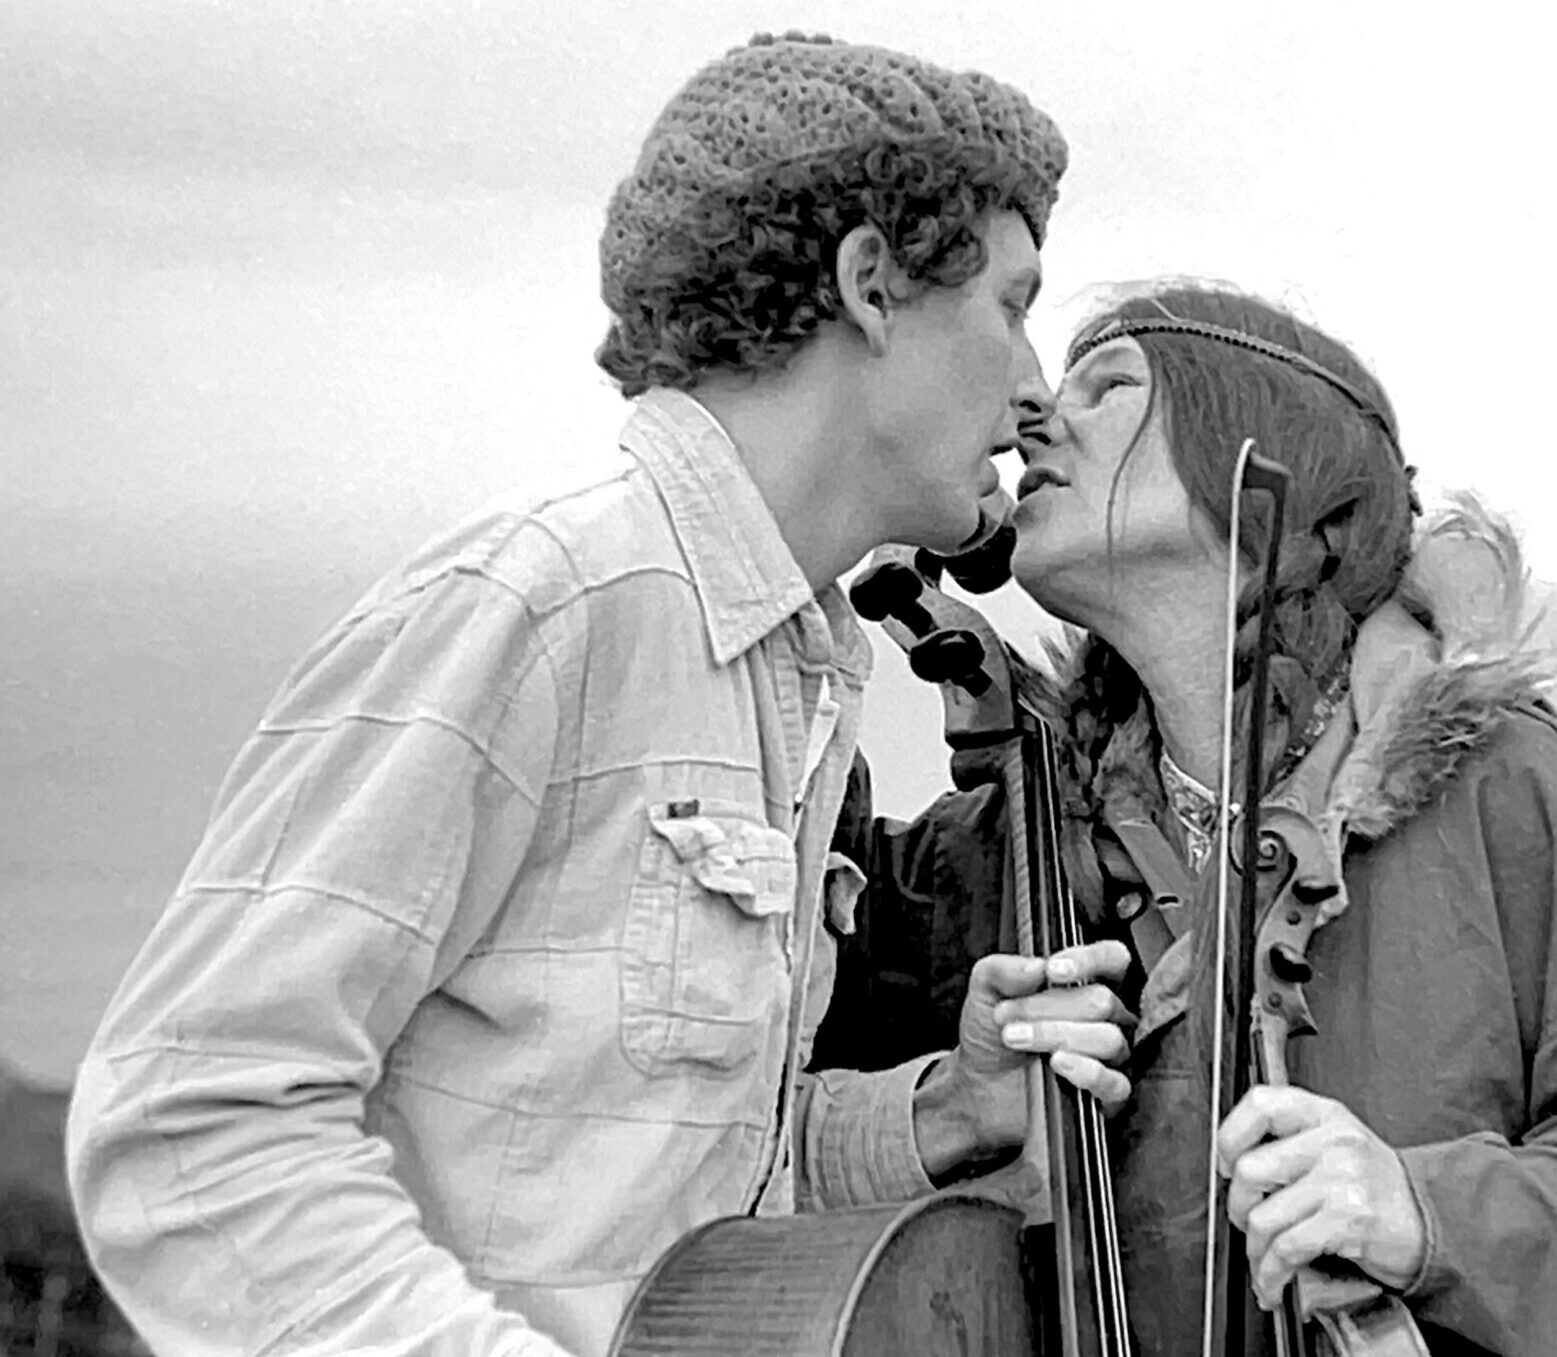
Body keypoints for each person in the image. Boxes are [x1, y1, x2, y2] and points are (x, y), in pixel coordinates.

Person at [65, 33, 1132, 1357]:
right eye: (1014, 305)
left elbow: (642, 1173)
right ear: (871, 285)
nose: (1034, 389)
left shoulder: (789, 672)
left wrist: (941, 1114)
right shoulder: (545, 605)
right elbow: (188, 1133)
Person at [814, 282, 1557, 1355]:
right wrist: (812, 537)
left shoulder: (1494, 784)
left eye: (1109, 388)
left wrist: (1425, 1210)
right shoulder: (1010, 843)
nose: (1033, 418)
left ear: (1270, 466)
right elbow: (746, 1005)